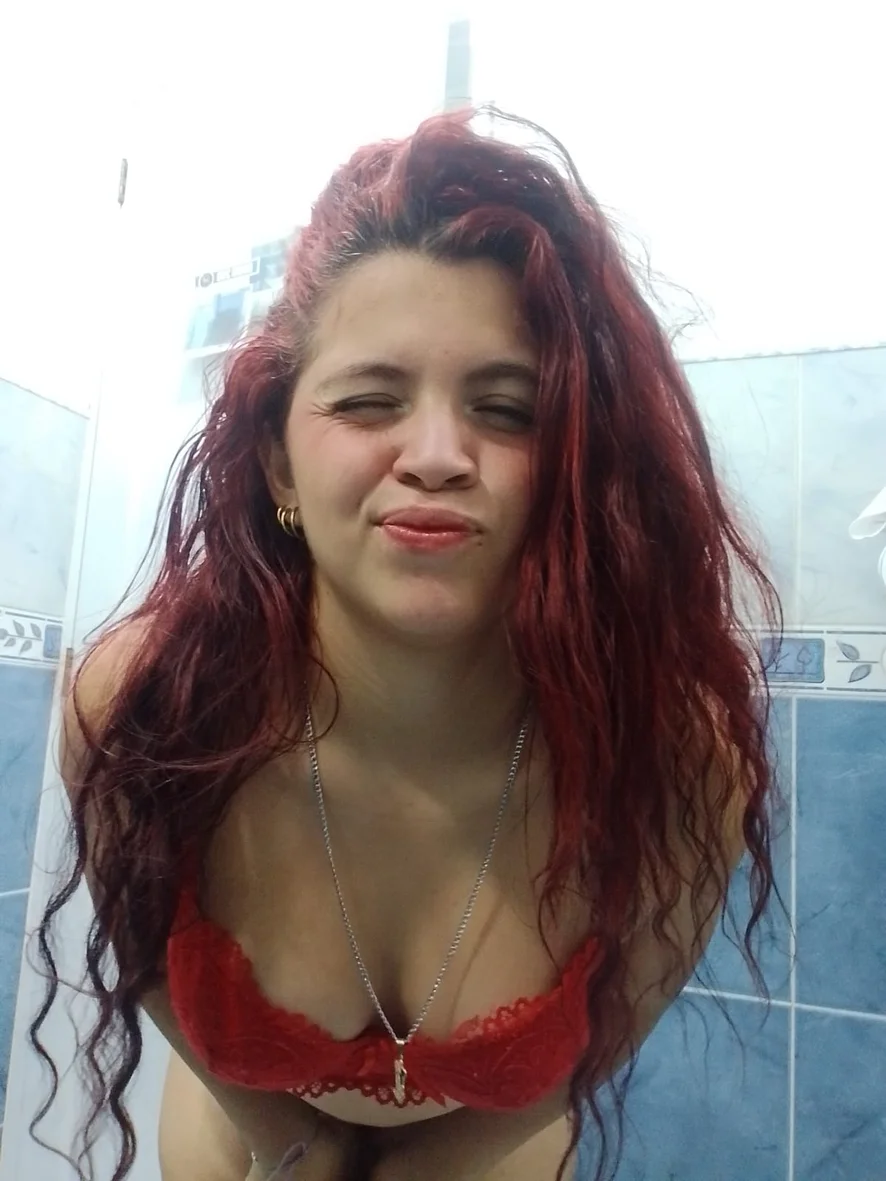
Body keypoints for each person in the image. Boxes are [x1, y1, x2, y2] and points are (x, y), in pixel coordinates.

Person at [33, 106, 781, 1181]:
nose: (435, 454)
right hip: (241, 1132)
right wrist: (288, 1138)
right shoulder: (139, 707)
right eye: (369, 400)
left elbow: (623, 1012)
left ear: (574, 464)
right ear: (279, 465)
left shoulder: (678, 755)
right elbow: (145, 949)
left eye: (508, 409)